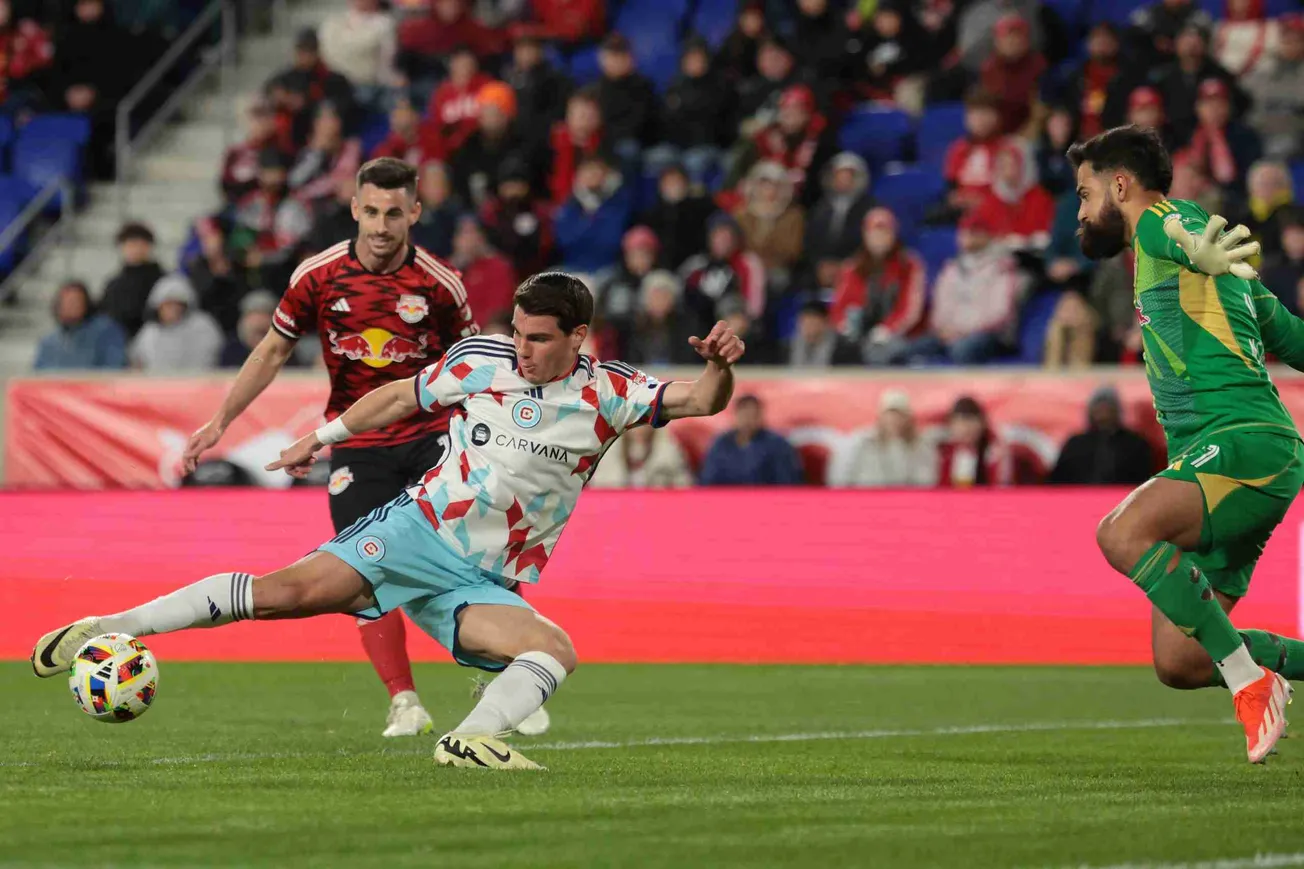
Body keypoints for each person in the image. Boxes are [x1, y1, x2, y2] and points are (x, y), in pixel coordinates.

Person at [33, 274, 746, 772]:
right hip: (416, 532)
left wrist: (719, 366)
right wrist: (322, 437)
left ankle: (469, 741)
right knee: (281, 594)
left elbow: (702, 400)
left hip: (485, 580)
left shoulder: (611, 390)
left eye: (538, 338)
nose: (522, 349)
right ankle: (106, 625)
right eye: (517, 332)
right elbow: (401, 396)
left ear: (579, 336)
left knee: (554, 649)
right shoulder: (482, 362)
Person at [179, 158, 482, 740]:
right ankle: (404, 702)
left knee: (466, 559)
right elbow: (271, 351)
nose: (382, 225)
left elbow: (472, 369)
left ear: (415, 213)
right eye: (372, 211)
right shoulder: (318, 276)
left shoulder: (440, 284)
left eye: (394, 213)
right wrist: (220, 421)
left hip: (433, 439)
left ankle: (495, 679)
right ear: (354, 209)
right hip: (357, 443)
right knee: (362, 571)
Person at [1069, 123, 1304, 763]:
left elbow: (1166, 228)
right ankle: (1255, 670)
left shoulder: (1164, 225)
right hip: (1253, 454)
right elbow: (1293, 340)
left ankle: (1251, 683)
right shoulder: (1229, 276)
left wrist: (1189, 246)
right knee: (1180, 660)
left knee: (1120, 533)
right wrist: (1201, 258)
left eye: (1086, 194)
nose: (1081, 213)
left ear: (1121, 185)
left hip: (1241, 443)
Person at [1047, 386, 1157, 485]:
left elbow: (1144, 481)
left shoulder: (1135, 444)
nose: (1103, 411)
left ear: (1117, 410)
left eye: (1108, 406)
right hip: (1078, 498)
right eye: (1099, 406)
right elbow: (1058, 480)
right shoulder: (1075, 444)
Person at [698, 394, 803, 486]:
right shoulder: (720, 443)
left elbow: (787, 482)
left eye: (753, 415)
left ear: (761, 416)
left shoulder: (779, 445)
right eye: (744, 414)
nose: (748, 420)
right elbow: (707, 480)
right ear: (735, 415)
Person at [33, 281, 127, 370]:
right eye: (66, 302)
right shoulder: (48, 342)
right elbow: (38, 373)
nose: (71, 306)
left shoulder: (107, 331)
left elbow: (115, 369)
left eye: (75, 301)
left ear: (86, 303)